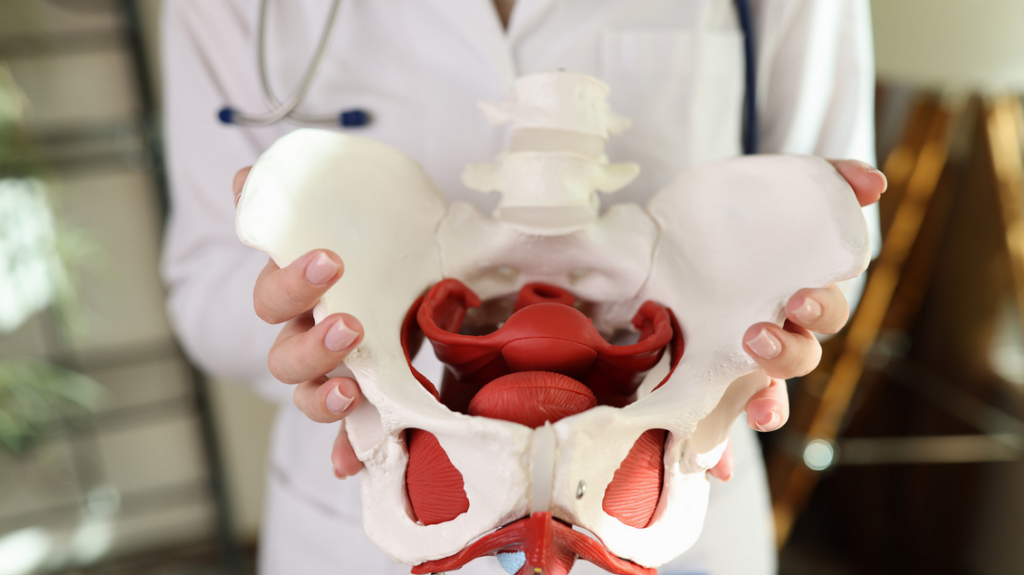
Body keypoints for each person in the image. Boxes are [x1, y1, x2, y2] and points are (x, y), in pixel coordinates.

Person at [160, 1, 885, 573]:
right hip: (359, 513)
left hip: (658, 490)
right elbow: (206, 284)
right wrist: (316, 337)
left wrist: (770, 320)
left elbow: (816, 244)